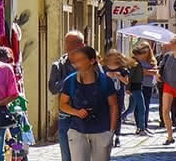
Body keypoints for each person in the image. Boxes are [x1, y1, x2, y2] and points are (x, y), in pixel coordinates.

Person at [58, 46, 120, 161]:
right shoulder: (70, 81)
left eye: (81, 59)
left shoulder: (105, 82)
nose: (77, 63)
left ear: (92, 61)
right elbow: (62, 104)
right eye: (76, 60)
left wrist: (111, 132)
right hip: (78, 131)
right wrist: (76, 112)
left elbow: (114, 106)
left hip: (101, 131)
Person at [45, 31, 87, 161]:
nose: (70, 49)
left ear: (83, 45)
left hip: (87, 116)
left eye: (74, 46)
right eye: (68, 46)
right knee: (67, 155)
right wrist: (71, 78)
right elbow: (53, 88)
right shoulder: (59, 65)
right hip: (66, 116)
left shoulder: (92, 63)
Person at [126, 44, 157, 136]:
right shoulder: (134, 63)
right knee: (135, 109)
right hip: (135, 88)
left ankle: (142, 128)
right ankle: (140, 128)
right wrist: (128, 88)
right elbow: (129, 77)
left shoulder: (138, 62)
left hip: (139, 87)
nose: (144, 56)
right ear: (139, 54)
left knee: (140, 108)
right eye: (143, 54)